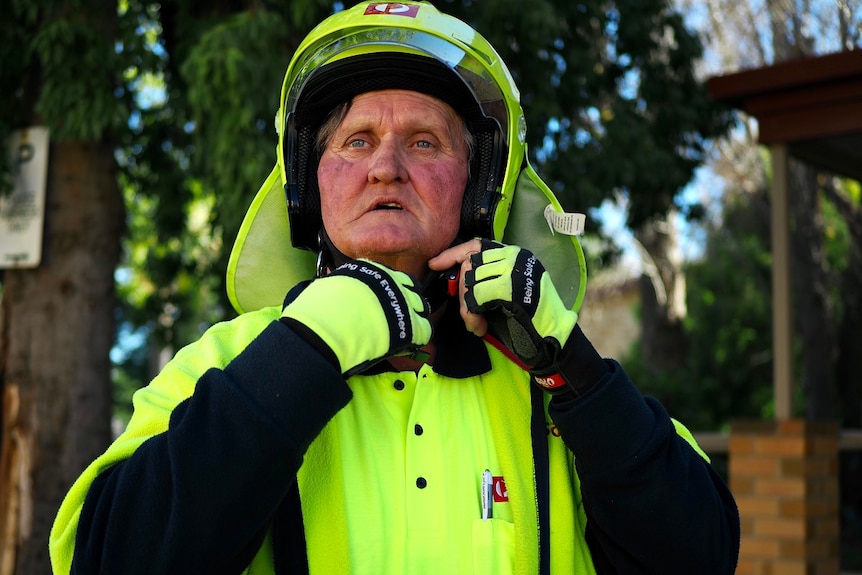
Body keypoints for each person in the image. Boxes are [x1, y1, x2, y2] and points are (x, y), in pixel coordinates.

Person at [50, 2, 740, 574]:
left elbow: (702, 554)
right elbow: (104, 557)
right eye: (354, 141)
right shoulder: (226, 362)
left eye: (424, 142)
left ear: (477, 188)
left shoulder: (549, 376)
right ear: (308, 183)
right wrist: (300, 353)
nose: (385, 167)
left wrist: (579, 376)